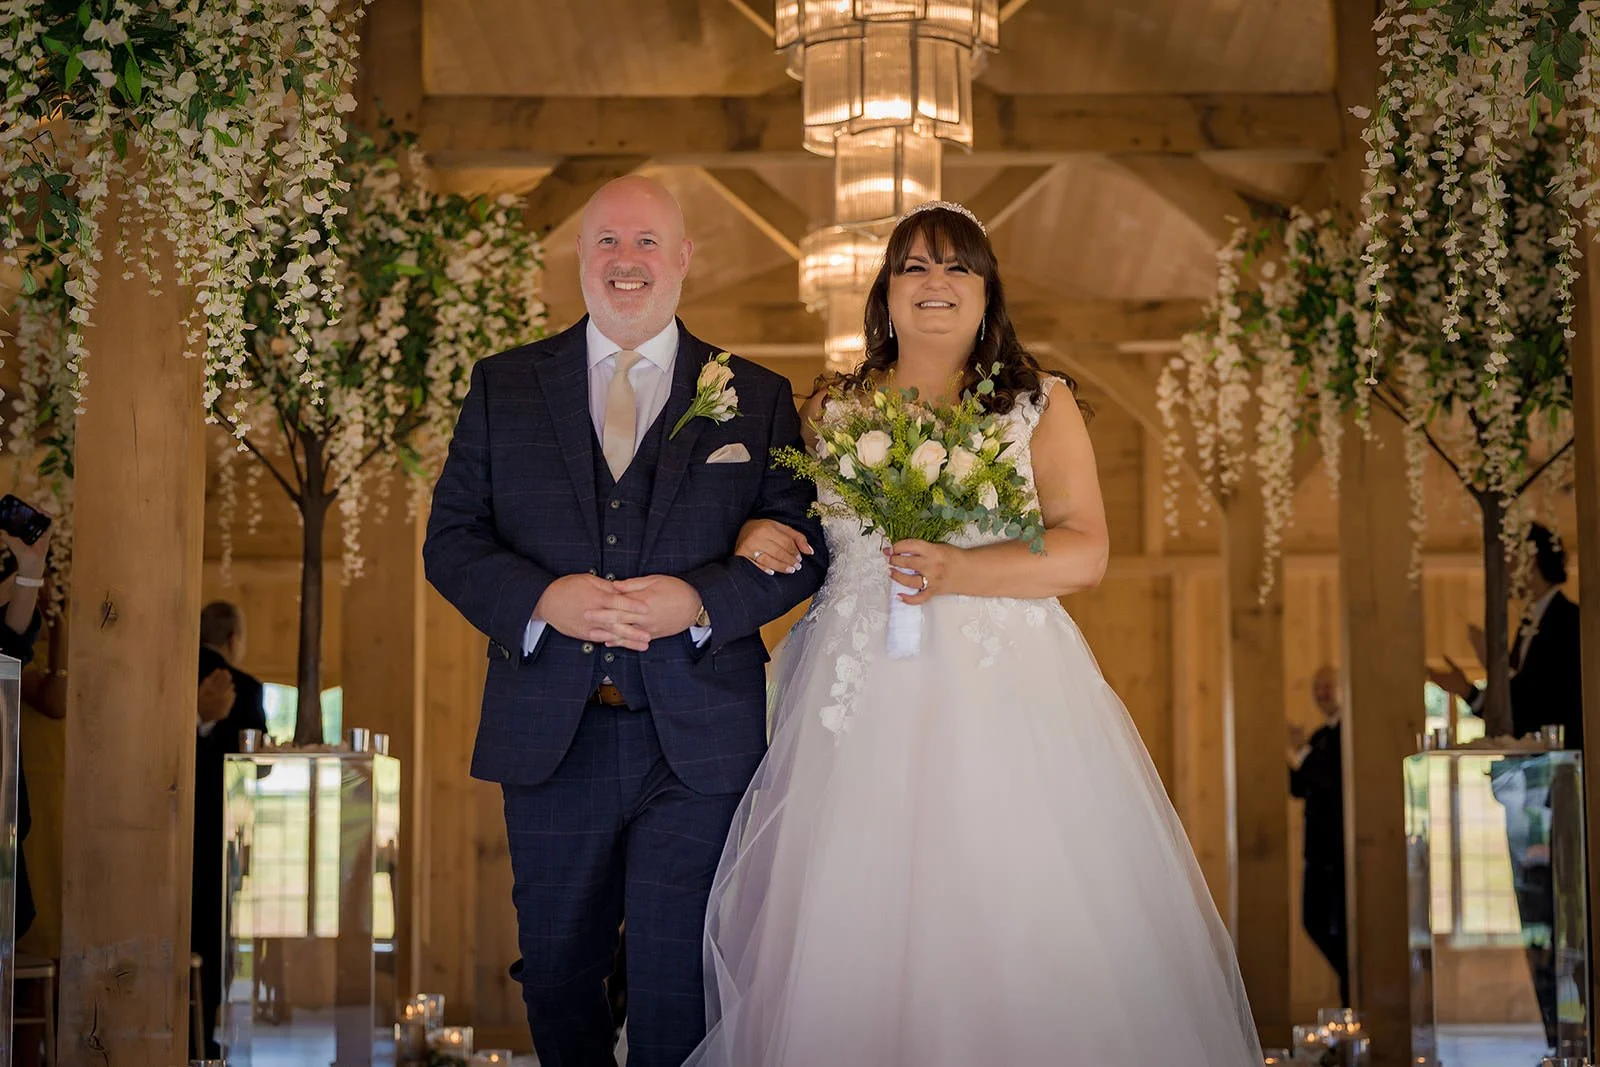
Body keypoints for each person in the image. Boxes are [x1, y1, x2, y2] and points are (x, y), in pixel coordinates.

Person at [683, 202, 1261, 1065]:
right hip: (849, 702)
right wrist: (747, 536)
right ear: (884, 292)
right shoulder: (832, 408)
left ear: (988, 292)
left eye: (957, 267)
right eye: (914, 267)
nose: (936, 284)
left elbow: (1086, 551)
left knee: (1007, 908)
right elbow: (790, 523)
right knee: (848, 920)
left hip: (1002, 698)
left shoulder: (1039, 403)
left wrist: (964, 570)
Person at [422, 175, 826, 1067]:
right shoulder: (504, 385)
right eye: (607, 241)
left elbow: (806, 544)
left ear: (682, 259)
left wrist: (702, 599)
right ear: (579, 256)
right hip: (553, 738)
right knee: (559, 975)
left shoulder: (753, 395)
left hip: (697, 742)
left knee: (677, 977)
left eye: (647, 243)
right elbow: (449, 541)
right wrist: (540, 598)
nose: (626, 261)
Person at [192, 601, 267, 1060]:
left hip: (163, 825)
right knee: (212, 935)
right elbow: (255, 766)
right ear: (234, 640)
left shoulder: (170, 670)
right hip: (220, 833)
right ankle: (203, 1035)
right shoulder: (246, 686)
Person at [1429, 522, 1582, 748]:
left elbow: (1546, 706)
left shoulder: (1569, 621)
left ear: (1529, 561)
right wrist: (1467, 690)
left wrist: (1495, 664)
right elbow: (1518, 712)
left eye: (1506, 561)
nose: (1501, 573)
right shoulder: (1530, 624)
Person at [1289, 665, 1348, 1006]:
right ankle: (1349, 987)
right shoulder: (1320, 736)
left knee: (1344, 933)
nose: (1321, 693)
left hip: (1340, 852)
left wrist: (1301, 752)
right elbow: (1302, 787)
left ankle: (1352, 1001)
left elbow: (1330, 778)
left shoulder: (1347, 734)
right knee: (1313, 922)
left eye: (1327, 685)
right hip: (1317, 852)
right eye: (1316, 687)